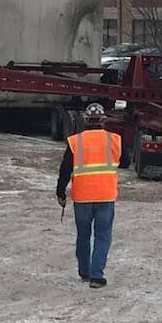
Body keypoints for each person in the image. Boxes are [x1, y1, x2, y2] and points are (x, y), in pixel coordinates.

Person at [56, 103, 122, 289]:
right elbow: (124, 162)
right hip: (105, 196)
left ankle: (84, 271)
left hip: (82, 197)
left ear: (85, 120)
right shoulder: (114, 140)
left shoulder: (76, 141)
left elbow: (65, 169)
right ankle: (96, 276)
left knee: (83, 235)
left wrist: (60, 192)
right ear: (103, 120)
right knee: (103, 237)